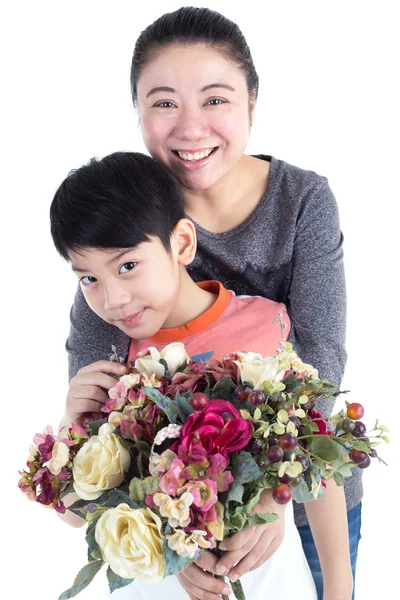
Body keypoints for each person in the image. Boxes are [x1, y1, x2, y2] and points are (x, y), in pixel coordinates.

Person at [64, 7, 359, 600]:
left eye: (216, 99)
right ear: (139, 113)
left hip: (304, 494)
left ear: (252, 101)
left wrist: (267, 491)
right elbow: (98, 415)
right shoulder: (128, 216)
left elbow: (319, 367)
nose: (191, 128)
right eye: (164, 103)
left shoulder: (302, 200)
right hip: (174, 520)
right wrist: (169, 541)